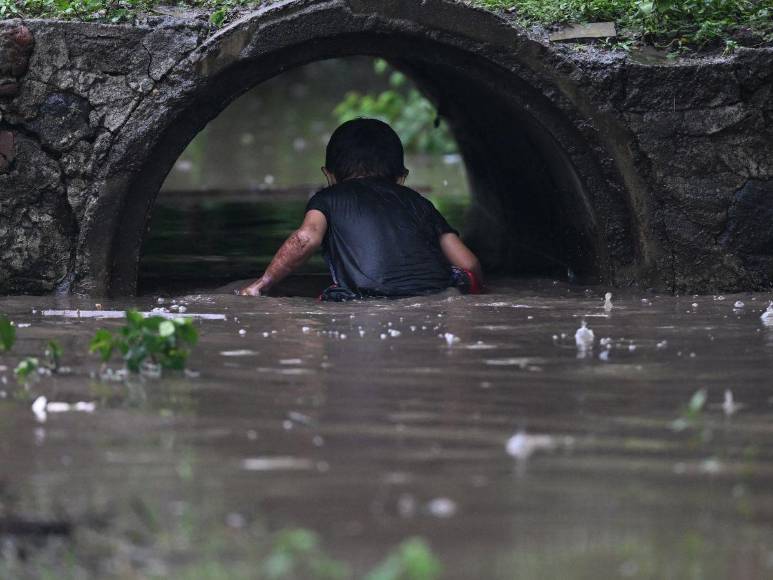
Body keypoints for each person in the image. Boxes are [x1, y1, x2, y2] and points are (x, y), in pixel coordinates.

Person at [239, 118, 482, 300]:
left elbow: (305, 239)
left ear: (329, 175)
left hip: (364, 298)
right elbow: (468, 264)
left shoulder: (328, 198)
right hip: (435, 293)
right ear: (401, 177)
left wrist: (262, 283)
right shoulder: (419, 202)